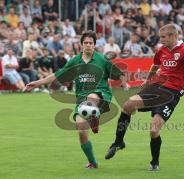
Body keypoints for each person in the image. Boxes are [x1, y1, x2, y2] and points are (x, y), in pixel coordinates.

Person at [104, 24, 184, 171]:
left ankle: (154, 162)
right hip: (155, 86)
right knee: (128, 105)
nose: (160, 40)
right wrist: (148, 79)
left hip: (171, 93)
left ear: (173, 36)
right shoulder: (161, 50)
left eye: (163, 37)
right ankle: (118, 142)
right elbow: (155, 65)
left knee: (154, 130)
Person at [24, 30, 128, 169]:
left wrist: (124, 83)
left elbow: (119, 74)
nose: (88, 45)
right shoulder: (74, 61)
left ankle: (93, 116)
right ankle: (92, 161)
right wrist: (37, 83)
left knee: (91, 98)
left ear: (95, 45)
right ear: (81, 45)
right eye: (85, 43)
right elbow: (57, 75)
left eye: (91, 43)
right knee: (81, 130)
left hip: (101, 94)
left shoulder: (102, 60)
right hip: (81, 99)